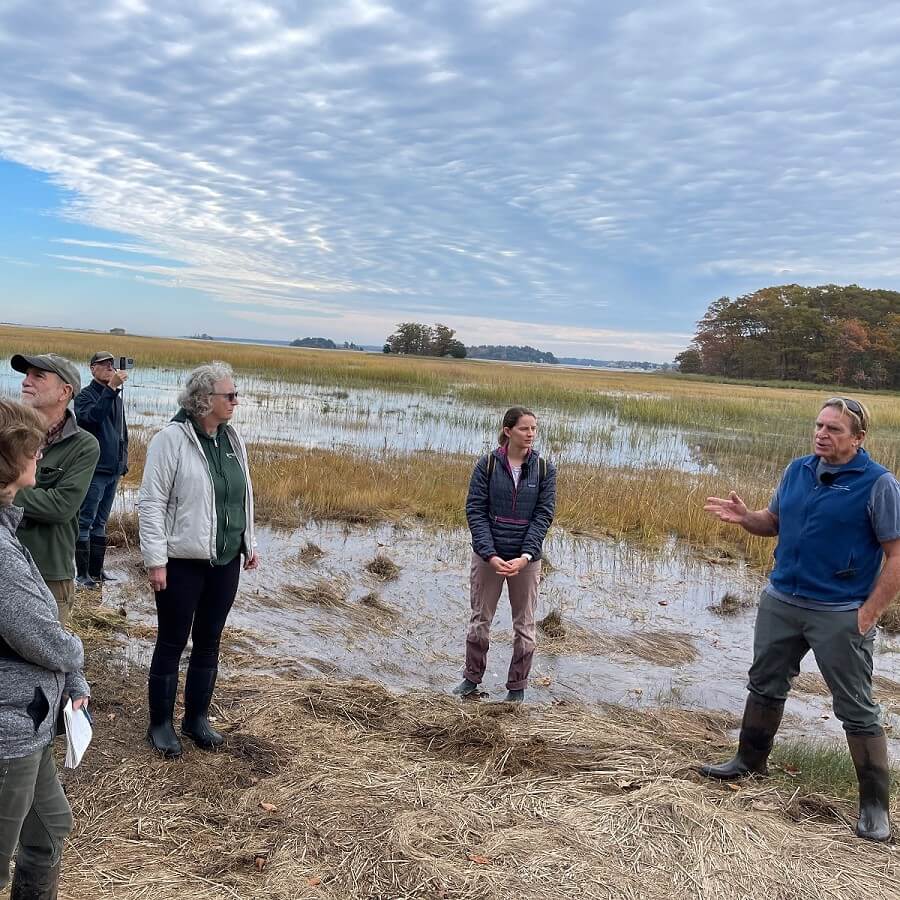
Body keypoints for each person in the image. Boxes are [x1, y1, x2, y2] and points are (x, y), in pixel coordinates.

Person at [701, 397, 900, 842]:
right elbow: (773, 521)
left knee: (856, 707)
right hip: (782, 600)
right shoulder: (797, 470)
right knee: (765, 683)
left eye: (834, 429)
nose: (822, 434)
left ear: (859, 438)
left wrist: (868, 614)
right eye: (819, 426)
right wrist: (747, 518)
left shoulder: (878, 484)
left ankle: (874, 807)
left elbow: (896, 555)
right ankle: (749, 762)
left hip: (838, 611)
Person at [138, 362, 258, 759]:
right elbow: (151, 502)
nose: (236, 401)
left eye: (235, 393)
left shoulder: (231, 438)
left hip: (224, 561)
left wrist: (247, 542)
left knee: (210, 641)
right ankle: (160, 725)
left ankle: (197, 719)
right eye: (230, 395)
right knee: (172, 641)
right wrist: (155, 560)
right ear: (205, 400)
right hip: (180, 562)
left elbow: (239, 494)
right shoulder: (170, 439)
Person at [0, 398, 91, 899]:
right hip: (7, 731)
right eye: (32, 449)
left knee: (50, 827)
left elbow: (43, 635)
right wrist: (75, 659)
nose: (40, 456)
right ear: (10, 461)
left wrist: (71, 678)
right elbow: (39, 632)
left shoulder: (7, 530)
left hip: (27, 719)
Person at [453, 406, 556, 702]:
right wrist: (489, 554)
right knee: (480, 619)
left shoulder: (545, 469)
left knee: (524, 624)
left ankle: (517, 688)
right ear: (508, 430)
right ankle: (471, 680)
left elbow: (543, 515)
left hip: (526, 560)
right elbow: (475, 510)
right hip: (489, 558)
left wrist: (526, 555)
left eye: (534, 428)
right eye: (525, 428)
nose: (531, 434)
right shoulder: (486, 465)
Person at [11, 353, 100, 625]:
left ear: (65, 391)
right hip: (5, 563)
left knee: (48, 660)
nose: (26, 381)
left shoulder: (84, 446)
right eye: (26, 375)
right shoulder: (8, 433)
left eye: (38, 376)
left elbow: (61, 507)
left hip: (48, 571)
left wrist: (6, 491)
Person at [74, 351, 130, 588]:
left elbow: (121, 433)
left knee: (101, 522)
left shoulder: (115, 396)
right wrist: (111, 390)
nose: (109, 368)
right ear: (91, 369)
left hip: (113, 470)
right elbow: (91, 420)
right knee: (85, 520)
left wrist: (122, 462)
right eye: (104, 364)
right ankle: (82, 574)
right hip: (95, 469)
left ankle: (97, 572)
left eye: (112, 364)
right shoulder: (84, 396)